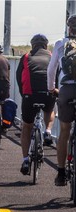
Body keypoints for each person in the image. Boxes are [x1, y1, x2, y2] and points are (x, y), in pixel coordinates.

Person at [16, 34, 56, 175]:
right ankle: (48, 132)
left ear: (32, 45)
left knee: (27, 126)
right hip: (47, 94)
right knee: (50, 110)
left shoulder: (26, 57)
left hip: (30, 95)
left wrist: (24, 95)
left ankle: (26, 159)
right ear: (46, 45)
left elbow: (18, 77)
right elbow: (56, 75)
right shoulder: (52, 56)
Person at [47, 14, 76, 186]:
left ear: (69, 28)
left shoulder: (60, 43)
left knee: (64, 131)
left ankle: (61, 173)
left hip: (66, 89)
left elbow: (51, 70)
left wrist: (51, 88)